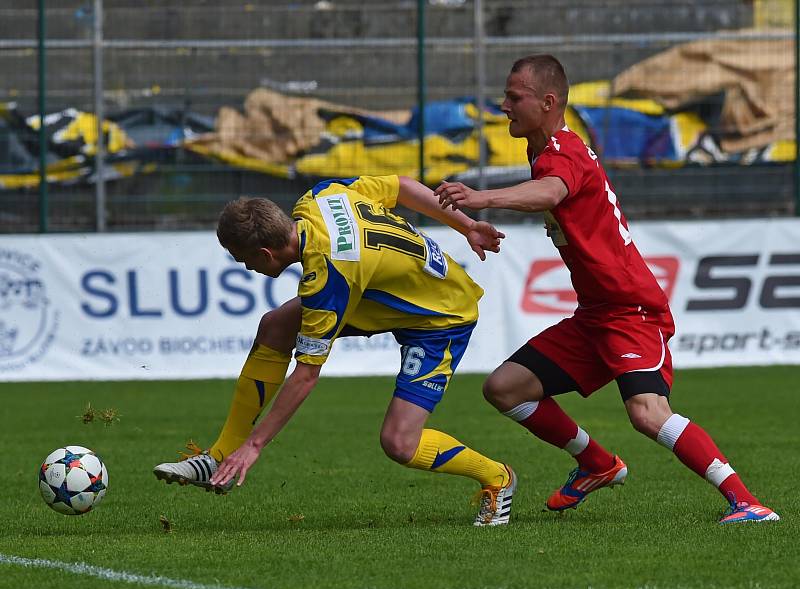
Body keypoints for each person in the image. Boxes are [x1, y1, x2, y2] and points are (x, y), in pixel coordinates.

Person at [435, 54, 779, 524]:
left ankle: (747, 502)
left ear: (548, 101)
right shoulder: (540, 151)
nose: (504, 106)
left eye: (514, 97)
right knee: (504, 388)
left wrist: (482, 198)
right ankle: (596, 463)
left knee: (647, 413)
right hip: (597, 313)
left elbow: (552, 192)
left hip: (630, 308)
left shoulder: (563, 150)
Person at [153, 174, 516, 526]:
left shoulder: (328, 278)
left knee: (399, 443)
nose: (246, 267)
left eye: (244, 259)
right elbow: (403, 186)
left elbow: (307, 375)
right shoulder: (321, 197)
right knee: (275, 326)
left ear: (264, 253)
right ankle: (218, 455)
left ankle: (497, 477)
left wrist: (256, 445)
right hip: (390, 293)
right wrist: (466, 224)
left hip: (440, 318)